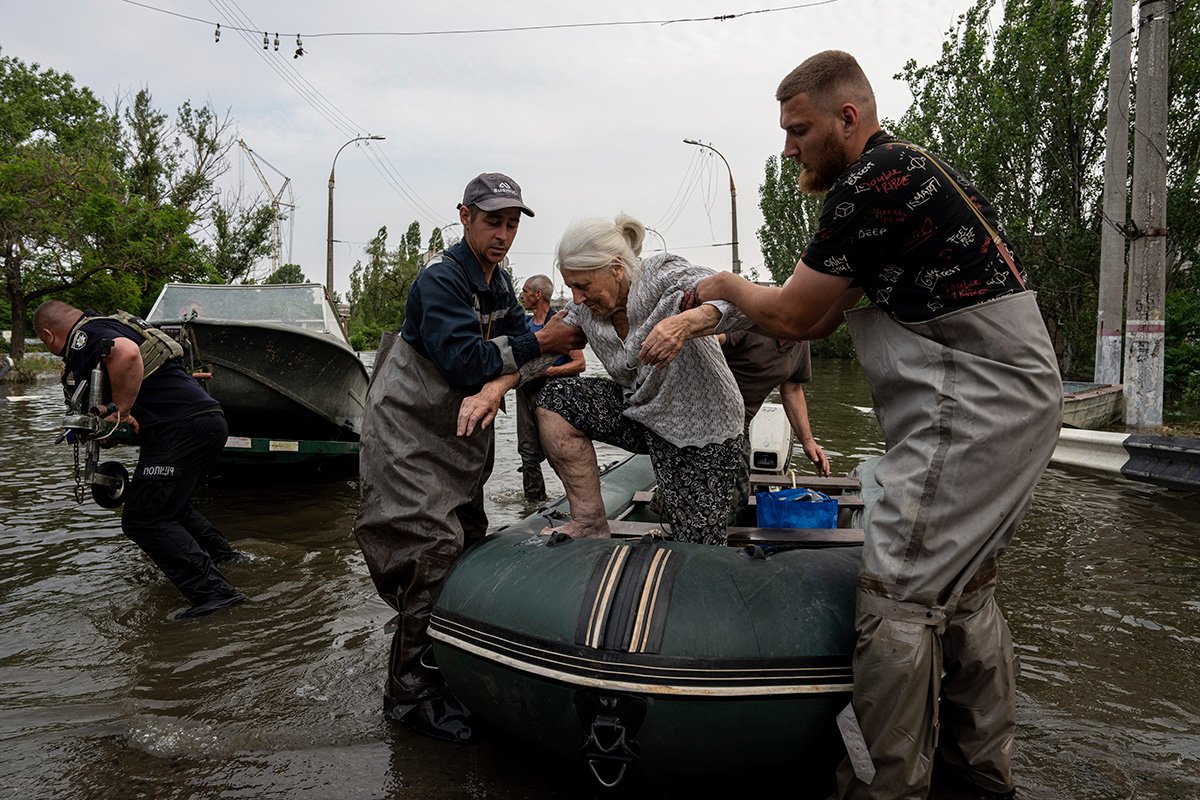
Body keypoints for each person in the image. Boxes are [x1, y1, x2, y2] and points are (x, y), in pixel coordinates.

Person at [690, 51, 1062, 800]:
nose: (789, 147)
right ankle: (979, 779)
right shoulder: (907, 172)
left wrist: (723, 286)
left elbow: (793, 314)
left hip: (975, 403)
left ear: (847, 118)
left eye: (799, 130)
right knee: (965, 586)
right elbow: (823, 318)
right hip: (1013, 397)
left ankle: (887, 789)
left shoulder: (868, 186)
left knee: (896, 593)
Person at [353, 173, 583, 743]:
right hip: (407, 432)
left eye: (511, 223)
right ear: (464, 216)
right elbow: (463, 361)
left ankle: (445, 663)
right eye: (492, 221)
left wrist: (504, 377)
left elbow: (499, 360)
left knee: (468, 538)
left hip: (456, 432)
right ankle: (408, 696)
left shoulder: (500, 283)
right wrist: (538, 344)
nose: (503, 233)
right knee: (427, 549)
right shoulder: (440, 280)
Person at [459, 213, 747, 546]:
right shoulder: (585, 312)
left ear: (616, 268)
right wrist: (494, 389)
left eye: (583, 285)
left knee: (696, 547)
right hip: (642, 416)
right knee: (557, 399)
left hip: (702, 428)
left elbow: (741, 302)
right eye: (570, 287)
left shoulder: (661, 274)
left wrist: (686, 323)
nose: (577, 298)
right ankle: (589, 522)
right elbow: (541, 355)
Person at [33, 300, 245, 620]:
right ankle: (223, 557)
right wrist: (116, 421)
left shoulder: (86, 336)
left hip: (181, 427)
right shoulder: (107, 322)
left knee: (143, 519)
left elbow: (128, 354)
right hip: (199, 421)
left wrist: (122, 408)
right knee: (169, 506)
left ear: (48, 336)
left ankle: (216, 594)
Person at [721, 330, 830, 486]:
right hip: (703, 415)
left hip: (738, 425)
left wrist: (808, 441)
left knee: (739, 494)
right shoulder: (751, 320)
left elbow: (792, 390)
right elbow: (712, 336)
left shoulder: (801, 342)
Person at [515, 274, 586, 502]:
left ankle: (577, 500)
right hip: (526, 393)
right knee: (527, 453)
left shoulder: (559, 324)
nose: (522, 295)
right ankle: (533, 505)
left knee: (558, 452)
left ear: (538, 295)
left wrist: (549, 372)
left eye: (525, 291)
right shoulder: (524, 325)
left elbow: (580, 363)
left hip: (553, 396)